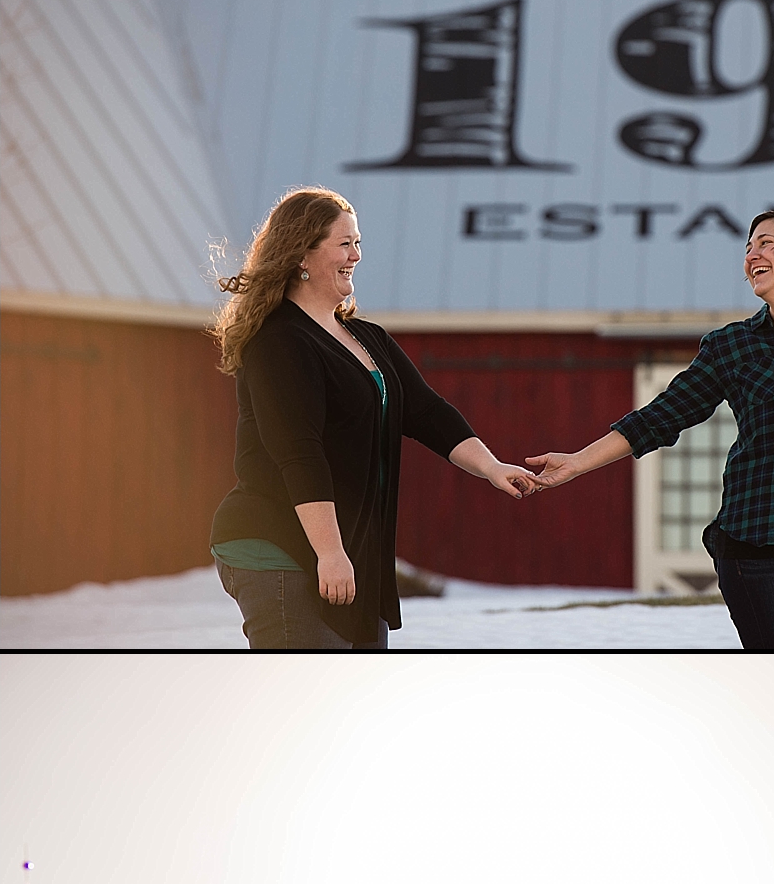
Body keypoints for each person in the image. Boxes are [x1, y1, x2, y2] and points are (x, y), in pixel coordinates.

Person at [525, 209, 774, 651]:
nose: (751, 256)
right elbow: (660, 416)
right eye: (747, 247)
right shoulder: (732, 345)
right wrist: (575, 464)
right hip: (756, 543)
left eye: (765, 243)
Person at [209, 188, 536, 649]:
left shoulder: (366, 337)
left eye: (358, 243)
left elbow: (426, 411)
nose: (356, 256)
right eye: (344, 244)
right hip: (277, 545)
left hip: (346, 550)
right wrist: (330, 552)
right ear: (302, 252)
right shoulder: (278, 342)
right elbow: (298, 452)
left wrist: (492, 467)